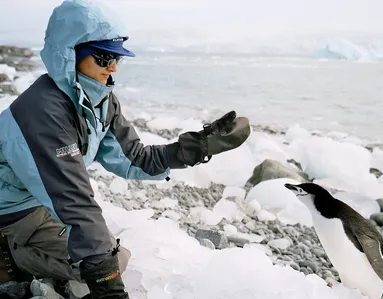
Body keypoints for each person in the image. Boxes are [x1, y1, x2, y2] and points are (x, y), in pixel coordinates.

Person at [0, 0, 250, 298]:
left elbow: (135, 158)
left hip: (39, 203)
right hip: (11, 214)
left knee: (110, 255)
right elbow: (74, 202)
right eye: (105, 57)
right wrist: (110, 289)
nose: (114, 67)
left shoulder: (98, 100)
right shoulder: (42, 113)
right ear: (70, 54)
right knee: (108, 261)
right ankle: (8, 258)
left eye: (118, 57)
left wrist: (198, 146)